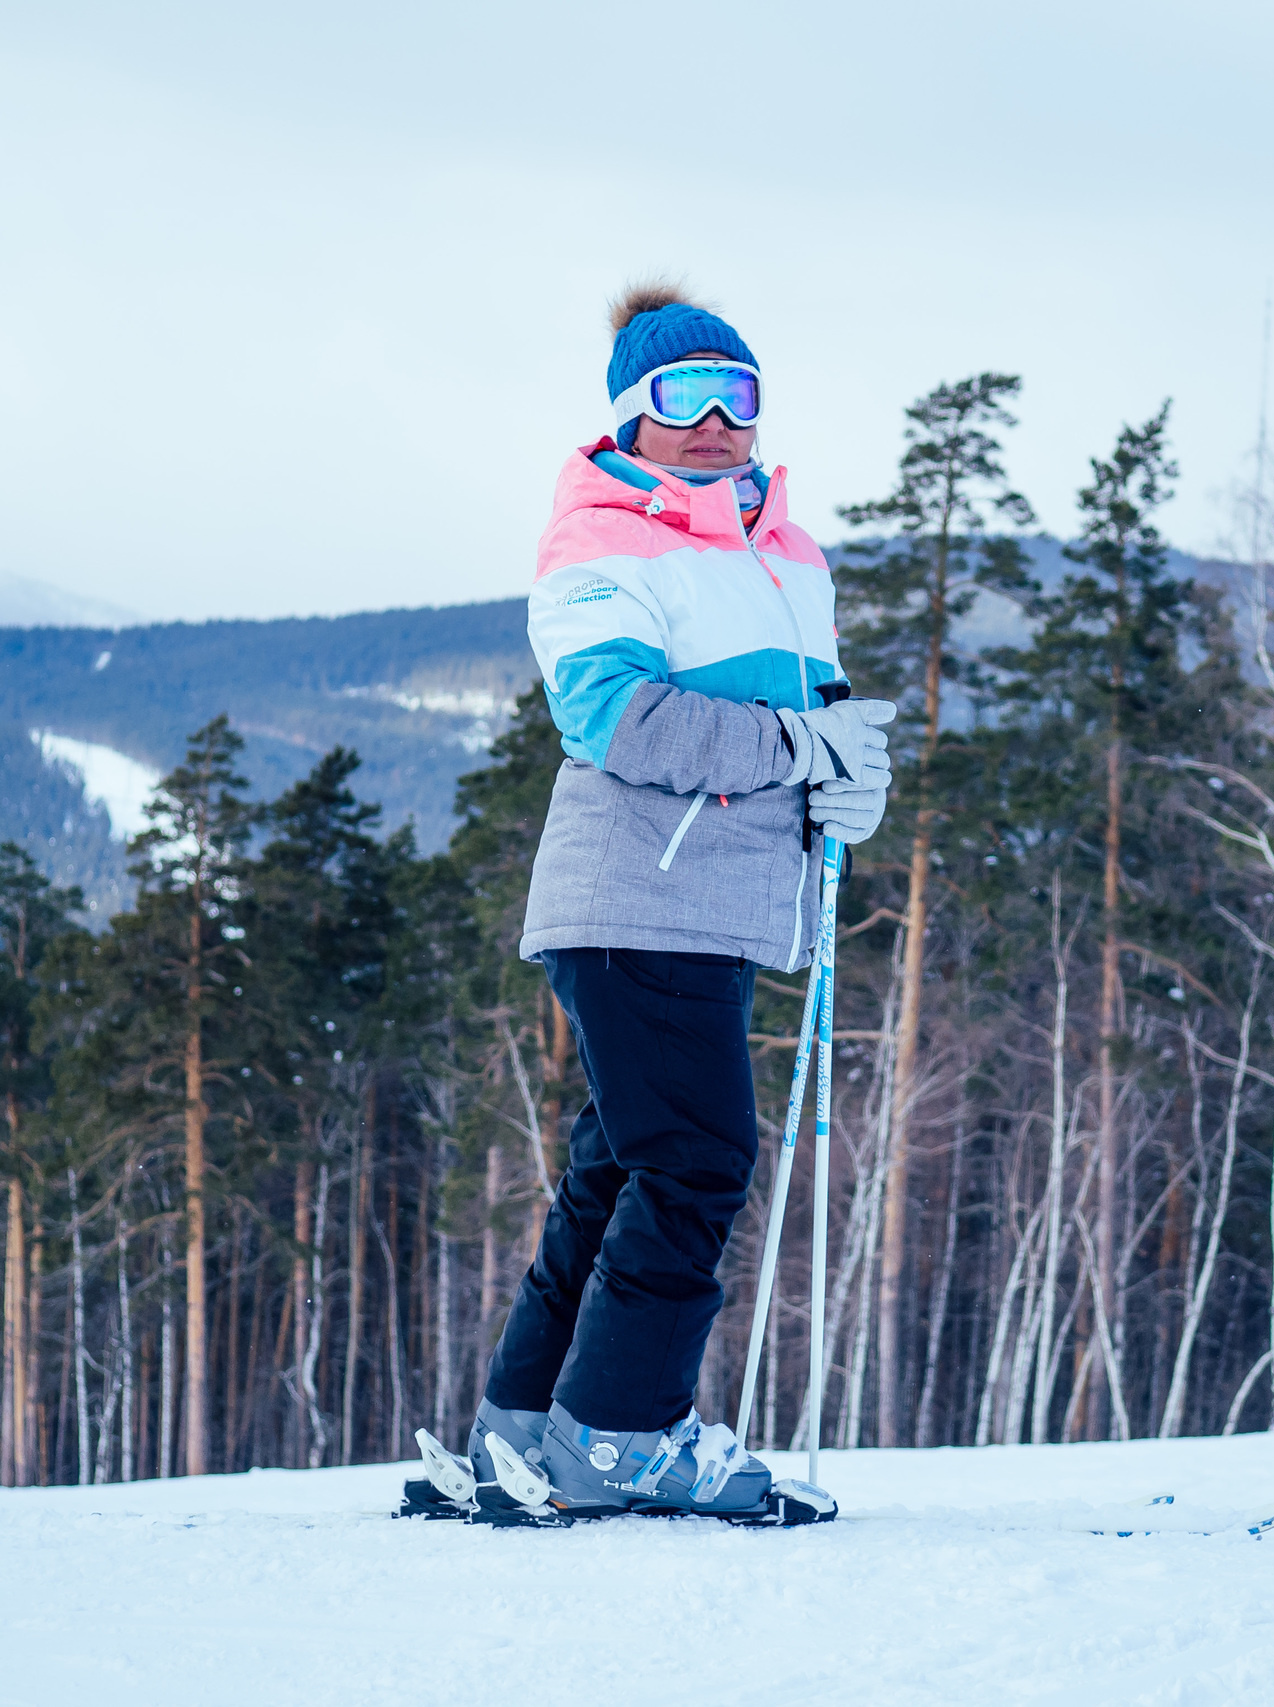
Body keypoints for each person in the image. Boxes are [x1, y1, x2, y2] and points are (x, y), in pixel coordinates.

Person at [417, 283, 893, 1525]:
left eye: (741, 395)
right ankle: (622, 1435)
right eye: (686, 396)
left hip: (717, 903)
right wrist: (799, 750)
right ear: (633, 413)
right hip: (641, 895)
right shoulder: (605, 535)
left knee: (626, 1161)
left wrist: (844, 779)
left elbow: (818, 724)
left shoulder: (782, 553)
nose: (717, 419)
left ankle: (522, 1425)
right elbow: (612, 714)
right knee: (697, 1161)